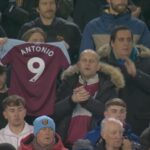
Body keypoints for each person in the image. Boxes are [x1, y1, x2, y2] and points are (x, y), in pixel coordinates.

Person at [54, 49, 124, 149]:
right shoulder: (66, 84)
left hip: (96, 145)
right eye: (84, 60)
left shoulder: (109, 86)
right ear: (78, 65)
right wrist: (71, 100)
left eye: (92, 61)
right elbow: (54, 113)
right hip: (66, 144)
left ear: (98, 66)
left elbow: (112, 115)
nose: (88, 63)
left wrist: (87, 101)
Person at [0, 30, 70, 124]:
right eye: (34, 40)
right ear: (24, 42)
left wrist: (62, 47)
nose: (38, 43)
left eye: (41, 41)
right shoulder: (15, 49)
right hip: (18, 106)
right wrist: (4, 44)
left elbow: (68, 70)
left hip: (45, 106)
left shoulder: (55, 50)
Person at [97, 26, 150, 135]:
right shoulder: (102, 65)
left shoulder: (146, 62)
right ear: (112, 43)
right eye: (121, 40)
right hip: (109, 125)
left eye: (129, 40)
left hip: (140, 125)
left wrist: (136, 74)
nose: (126, 43)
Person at [80, 0, 150, 52]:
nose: (122, 1)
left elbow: (147, 61)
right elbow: (85, 62)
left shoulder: (140, 27)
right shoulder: (92, 27)